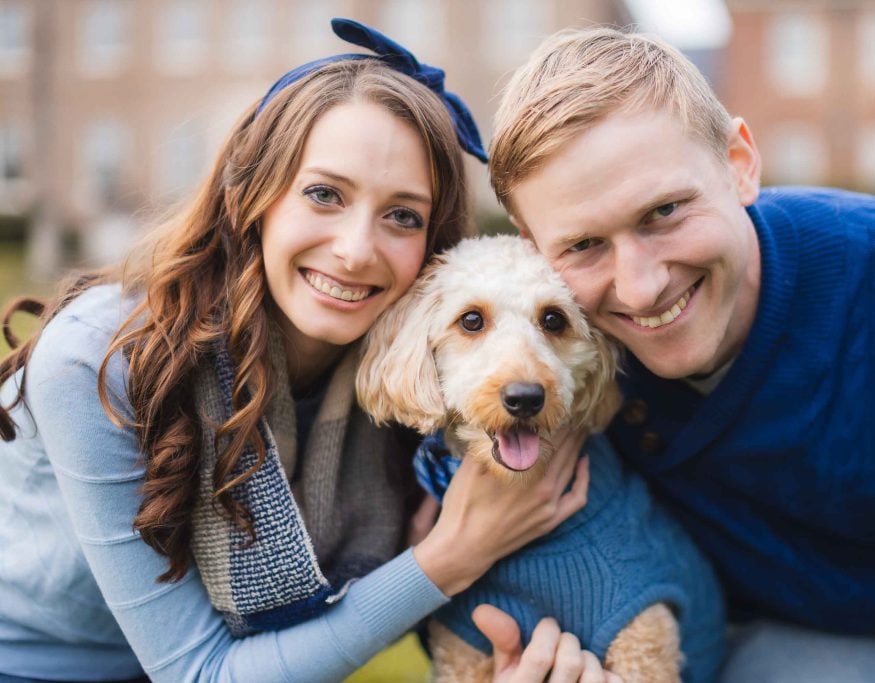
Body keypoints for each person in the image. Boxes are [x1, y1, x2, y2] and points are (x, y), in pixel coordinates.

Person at [0, 20, 608, 683]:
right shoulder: (96, 360)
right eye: (324, 194)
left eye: (402, 215)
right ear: (249, 194)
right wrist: (451, 556)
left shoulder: (415, 368)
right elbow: (199, 673)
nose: (354, 249)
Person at [481, 26, 875, 683]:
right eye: (584, 245)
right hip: (798, 642)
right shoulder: (552, 369)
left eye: (664, 212)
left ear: (740, 163)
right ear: (533, 246)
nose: (641, 285)